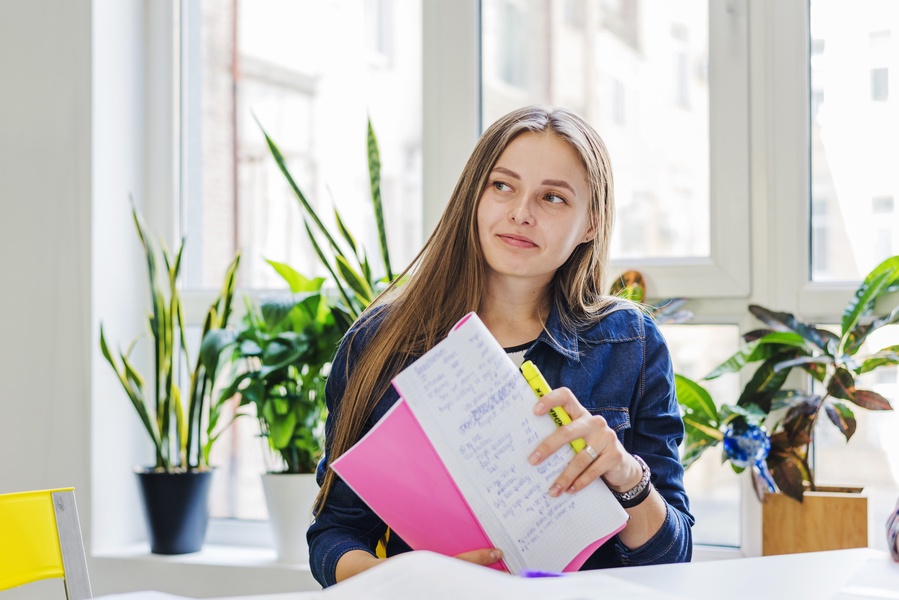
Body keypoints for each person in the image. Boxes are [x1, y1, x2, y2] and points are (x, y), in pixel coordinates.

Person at [307, 105, 694, 587]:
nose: (520, 213)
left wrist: (627, 477)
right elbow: (334, 536)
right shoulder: (378, 343)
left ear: (591, 223)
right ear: (475, 195)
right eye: (502, 186)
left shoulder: (630, 343)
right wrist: (412, 580)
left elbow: (673, 559)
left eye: (553, 197)